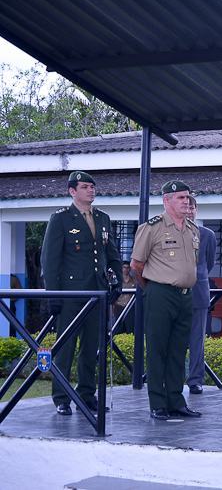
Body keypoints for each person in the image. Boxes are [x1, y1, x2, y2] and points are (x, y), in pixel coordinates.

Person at [41, 170, 122, 416]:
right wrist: (53, 296)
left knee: (92, 348)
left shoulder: (103, 218)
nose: (91, 190)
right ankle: (61, 397)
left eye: (92, 186)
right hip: (71, 294)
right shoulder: (61, 219)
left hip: (97, 292)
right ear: (72, 191)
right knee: (65, 348)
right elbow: (50, 260)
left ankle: (86, 395)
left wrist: (115, 281)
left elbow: (112, 254)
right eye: (85, 187)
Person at [130, 180, 201, 421]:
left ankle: (176, 401)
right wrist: (152, 289)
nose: (186, 201)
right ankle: (158, 403)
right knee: (158, 349)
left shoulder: (192, 229)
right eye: (180, 197)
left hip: (185, 296)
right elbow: (136, 265)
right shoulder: (152, 228)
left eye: (187, 197)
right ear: (166, 200)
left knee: (179, 350)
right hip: (160, 294)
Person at [186, 196, 217, 395]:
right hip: (174, 293)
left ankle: (195, 380)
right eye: (185, 207)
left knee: (197, 340)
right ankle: (171, 380)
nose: (189, 211)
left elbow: (209, 262)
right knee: (174, 339)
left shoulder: (207, 234)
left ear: (197, 210)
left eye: (192, 207)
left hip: (198, 291)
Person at [114, 263, 136, 333]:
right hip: (119, 306)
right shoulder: (118, 281)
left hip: (130, 307)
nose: (126, 269)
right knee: (119, 328)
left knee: (130, 328)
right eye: (124, 267)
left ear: (130, 269)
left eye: (127, 268)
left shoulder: (134, 281)